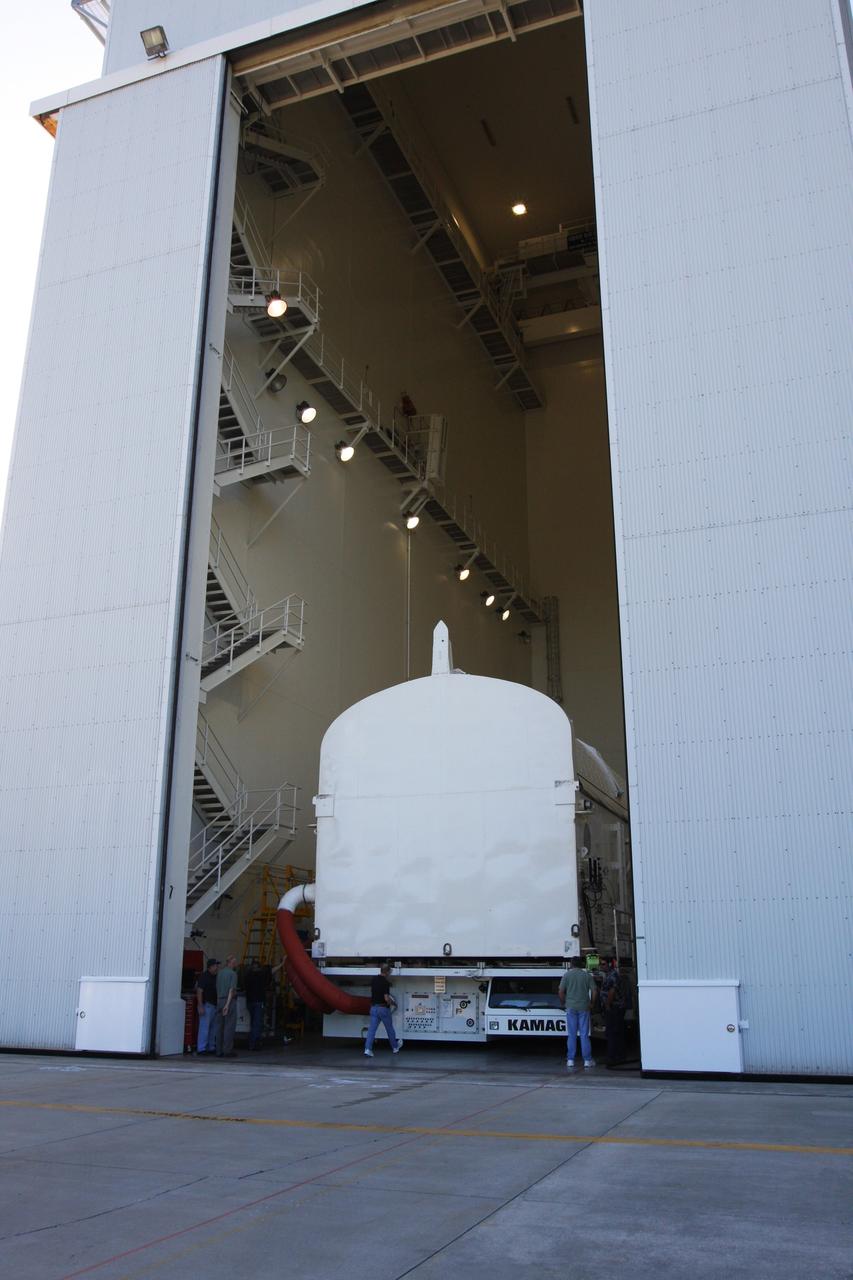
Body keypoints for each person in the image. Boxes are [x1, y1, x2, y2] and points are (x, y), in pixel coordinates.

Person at [559, 955, 596, 1070]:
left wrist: (564, 1003)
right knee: (584, 1034)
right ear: (582, 964)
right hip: (584, 1007)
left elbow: (560, 991)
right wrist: (592, 1003)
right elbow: (595, 991)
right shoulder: (587, 976)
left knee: (572, 1034)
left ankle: (570, 1060)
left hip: (571, 1007)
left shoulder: (566, 975)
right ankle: (587, 1060)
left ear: (571, 964)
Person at [364, 963, 402, 1057]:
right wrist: (393, 1003)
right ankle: (395, 1047)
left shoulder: (374, 979)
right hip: (383, 1009)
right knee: (389, 1029)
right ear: (388, 972)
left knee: (372, 1030)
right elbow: (386, 998)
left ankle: (368, 1049)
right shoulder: (385, 982)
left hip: (373, 1008)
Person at [602, 958, 628, 1066]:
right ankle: (617, 1055)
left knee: (613, 1032)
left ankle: (613, 1056)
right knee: (615, 1031)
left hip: (614, 1008)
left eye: (603, 964)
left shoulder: (612, 976)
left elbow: (612, 991)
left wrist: (607, 1005)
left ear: (609, 964)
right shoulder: (609, 975)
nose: (600, 966)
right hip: (615, 1007)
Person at [215, 954, 238, 1058]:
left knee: (219, 1027)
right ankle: (227, 1050)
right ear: (231, 963)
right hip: (228, 1001)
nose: (235, 964)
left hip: (219, 1000)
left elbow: (217, 988)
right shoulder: (233, 974)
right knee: (229, 1027)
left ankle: (218, 1050)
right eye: (235, 962)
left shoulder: (219, 973)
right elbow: (231, 990)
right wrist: (227, 1005)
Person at [195, 958, 219, 1055]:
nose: (217, 967)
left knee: (213, 1027)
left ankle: (211, 1046)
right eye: (215, 965)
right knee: (204, 1027)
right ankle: (201, 1048)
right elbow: (199, 991)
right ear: (210, 967)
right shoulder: (204, 977)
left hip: (214, 1005)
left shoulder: (216, 977)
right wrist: (200, 1005)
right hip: (207, 1005)